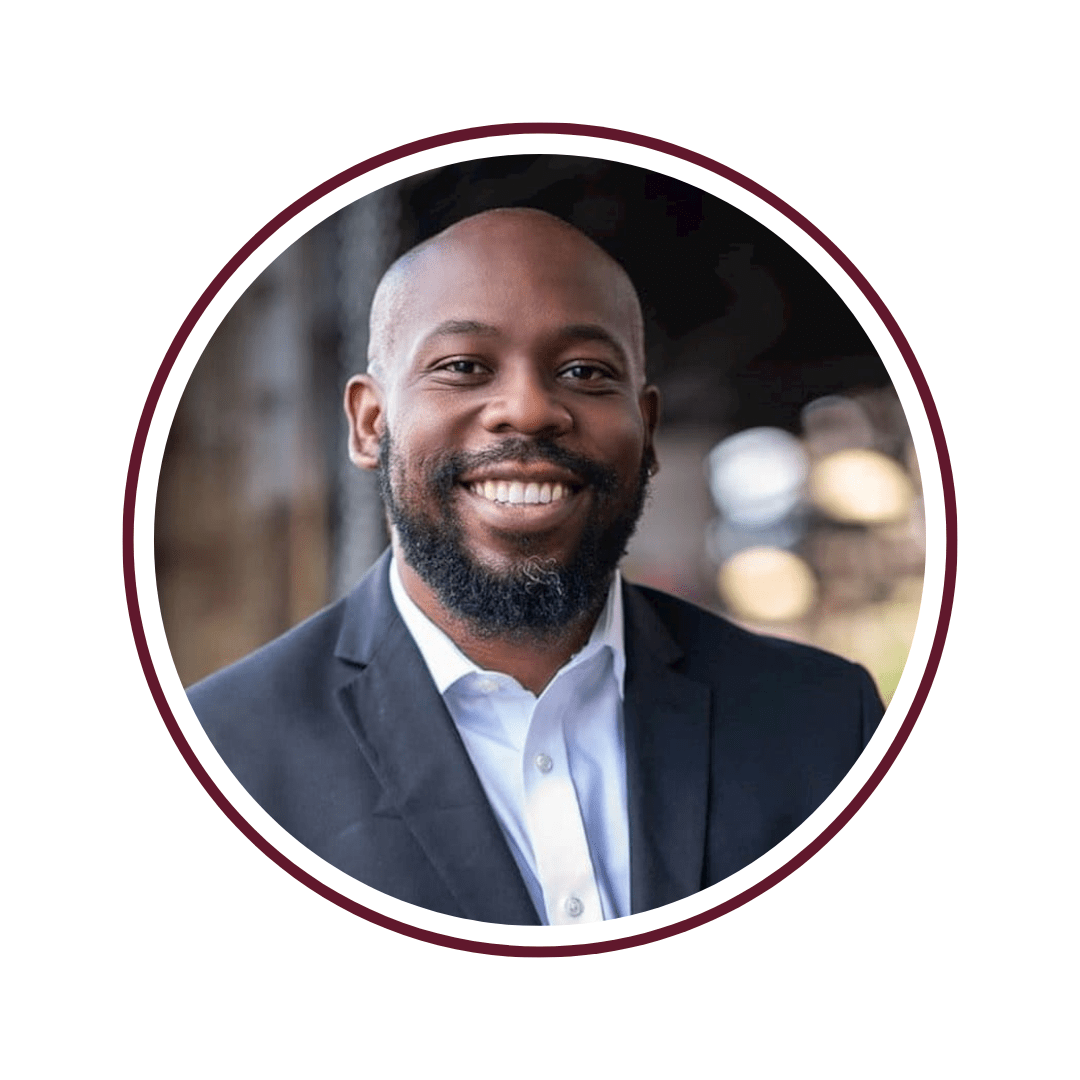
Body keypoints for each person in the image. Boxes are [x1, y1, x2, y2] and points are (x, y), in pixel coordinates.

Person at [189, 207, 883, 926]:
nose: (527, 409)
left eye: (585, 371)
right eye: (463, 367)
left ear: (646, 428)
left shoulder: (827, 724)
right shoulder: (223, 759)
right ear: (371, 424)